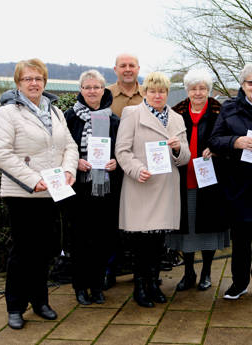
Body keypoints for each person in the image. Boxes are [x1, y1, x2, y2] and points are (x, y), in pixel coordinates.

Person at [0, 59, 78, 329]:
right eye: (28, 79)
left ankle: (40, 301)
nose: (33, 83)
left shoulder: (56, 112)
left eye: (38, 78)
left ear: (45, 82)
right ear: (18, 83)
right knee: (23, 252)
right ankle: (15, 306)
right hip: (22, 193)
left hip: (52, 193)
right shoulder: (8, 113)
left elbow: (70, 146)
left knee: (44, 251)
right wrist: (34, 180)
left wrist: (68, 171)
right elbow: (1, 154)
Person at [115, 72, 190, 307]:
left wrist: (178, 149)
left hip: (166, 186)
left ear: (167, 93)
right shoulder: (132, 114)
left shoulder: (177, 118)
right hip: (141, 185)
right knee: (141, 243)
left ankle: (153, 284)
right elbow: (122, 150)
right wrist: (137, 170)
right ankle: (140, 287)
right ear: (145, 92)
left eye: (162, 91)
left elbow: (185, 158)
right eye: (153, 91)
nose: (158, 95)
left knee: (158, 242)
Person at [209, 63, 252, 300]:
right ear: (243, 85)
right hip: (238, 183)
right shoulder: (229, 108)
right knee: (240, 239)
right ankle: (238, 283)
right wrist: (235, 142)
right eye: (251, 82)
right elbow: (215, 140)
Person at [166, 69, 230, 291]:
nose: (198, 92)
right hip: (183, 178)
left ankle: (206, 272)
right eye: (193, 88)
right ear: (187, 91)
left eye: (202, 88)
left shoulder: (220, 112)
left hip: (210, 179)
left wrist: (217, 149)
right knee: (187, 230)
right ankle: (188, 272)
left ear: (208, 90)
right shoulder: (175, 113)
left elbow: (227, 140)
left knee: (208, 228)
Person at [64, 70, 122, 305]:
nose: (92, 91)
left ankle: (97, 286)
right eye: (87, 87)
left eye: (96, 87)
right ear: (81, 90)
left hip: (105, 189)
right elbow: (60, 149)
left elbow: (122, 149)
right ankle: (80, 286)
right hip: (78, 188)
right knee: (79, 240)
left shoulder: (113, 119)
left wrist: (115, 161)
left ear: (103, 89)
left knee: (102, 239)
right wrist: (74, 161)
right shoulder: (69, 118)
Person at [104, 53, 144, 289]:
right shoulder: (105, 95)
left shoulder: (148, 93)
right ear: (115, 69)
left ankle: (144, 270)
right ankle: (110, 269)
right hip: (112, 168)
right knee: (112, 221)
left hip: (141, 169)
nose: (127, 69)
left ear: (138, 68)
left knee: (141, 221)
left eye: (132, 65)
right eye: (123, 66)